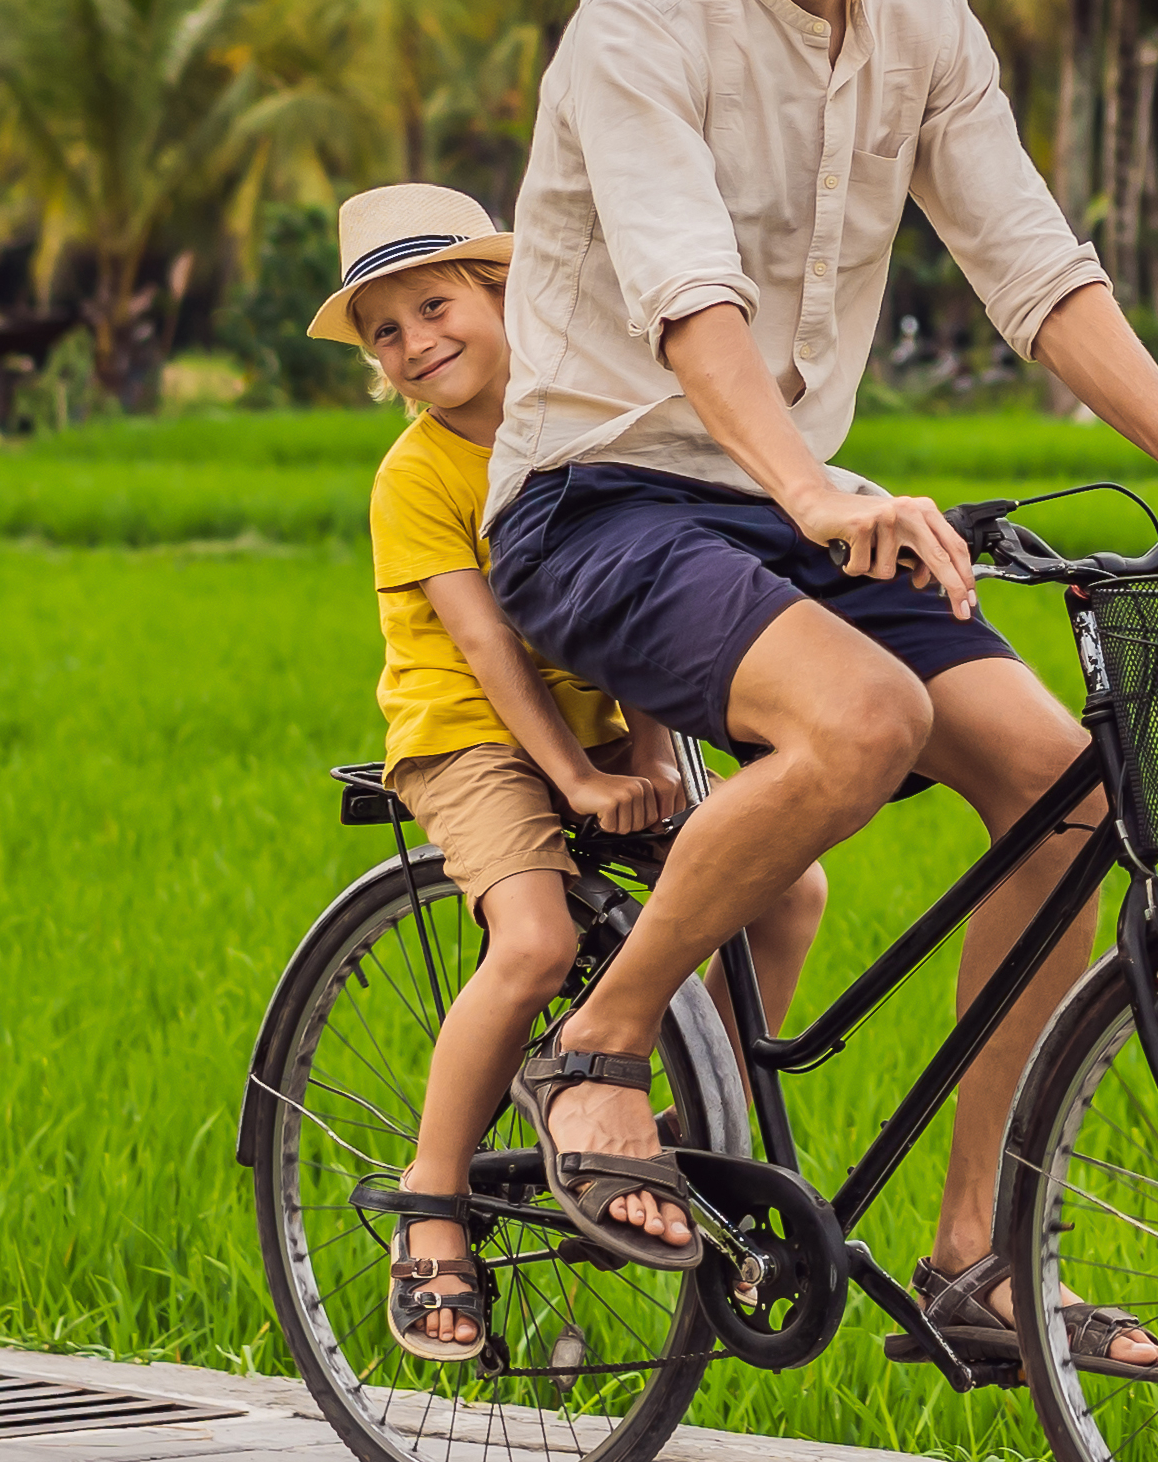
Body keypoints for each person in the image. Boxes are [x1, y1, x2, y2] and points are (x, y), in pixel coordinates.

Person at [482, 0, 1158, 1378]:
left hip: (789, 509)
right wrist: (812, 483)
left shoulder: (926, 23)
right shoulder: (639, 17)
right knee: (863, 720)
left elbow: (1034, 266)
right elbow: (681, 292)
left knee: (1073, 782)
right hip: (600, 496)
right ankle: (604, 1044)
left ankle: (979, 1257)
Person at [324, 183, 820, 1363]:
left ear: (508, 298)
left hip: (600, 718)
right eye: (386, 332)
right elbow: (489, 643)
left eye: (436, 305)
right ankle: (432, 1201)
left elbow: (631, 603)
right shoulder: (416, 477)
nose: (415, 343)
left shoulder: (584, 425)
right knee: (537, 942)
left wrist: (649, 752)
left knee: (784, 888)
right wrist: (583, 779)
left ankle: (661, 1131)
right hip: (472, 735)